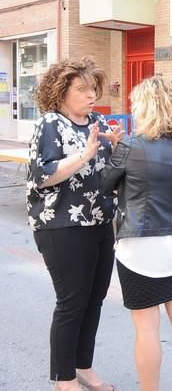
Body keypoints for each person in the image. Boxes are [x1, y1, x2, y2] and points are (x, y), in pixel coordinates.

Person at [26, 58, 121, 391]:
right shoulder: (50, 123)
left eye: (93, 88)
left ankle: (84, 367)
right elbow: (44, 175)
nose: (91, 94)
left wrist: (116, 146)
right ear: (60, 92)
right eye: (81, 89)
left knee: (94, 298)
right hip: (61, 225)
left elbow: (109, 171)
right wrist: (84, 154)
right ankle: (63, 378)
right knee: (71, 302)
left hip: (98, 220)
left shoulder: (96, 121)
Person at [101, 76, 172, 391]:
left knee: (146, 328)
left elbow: (106, 184)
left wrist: (112, 149)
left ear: (147, 108)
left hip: (141, 242)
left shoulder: (132, 146)